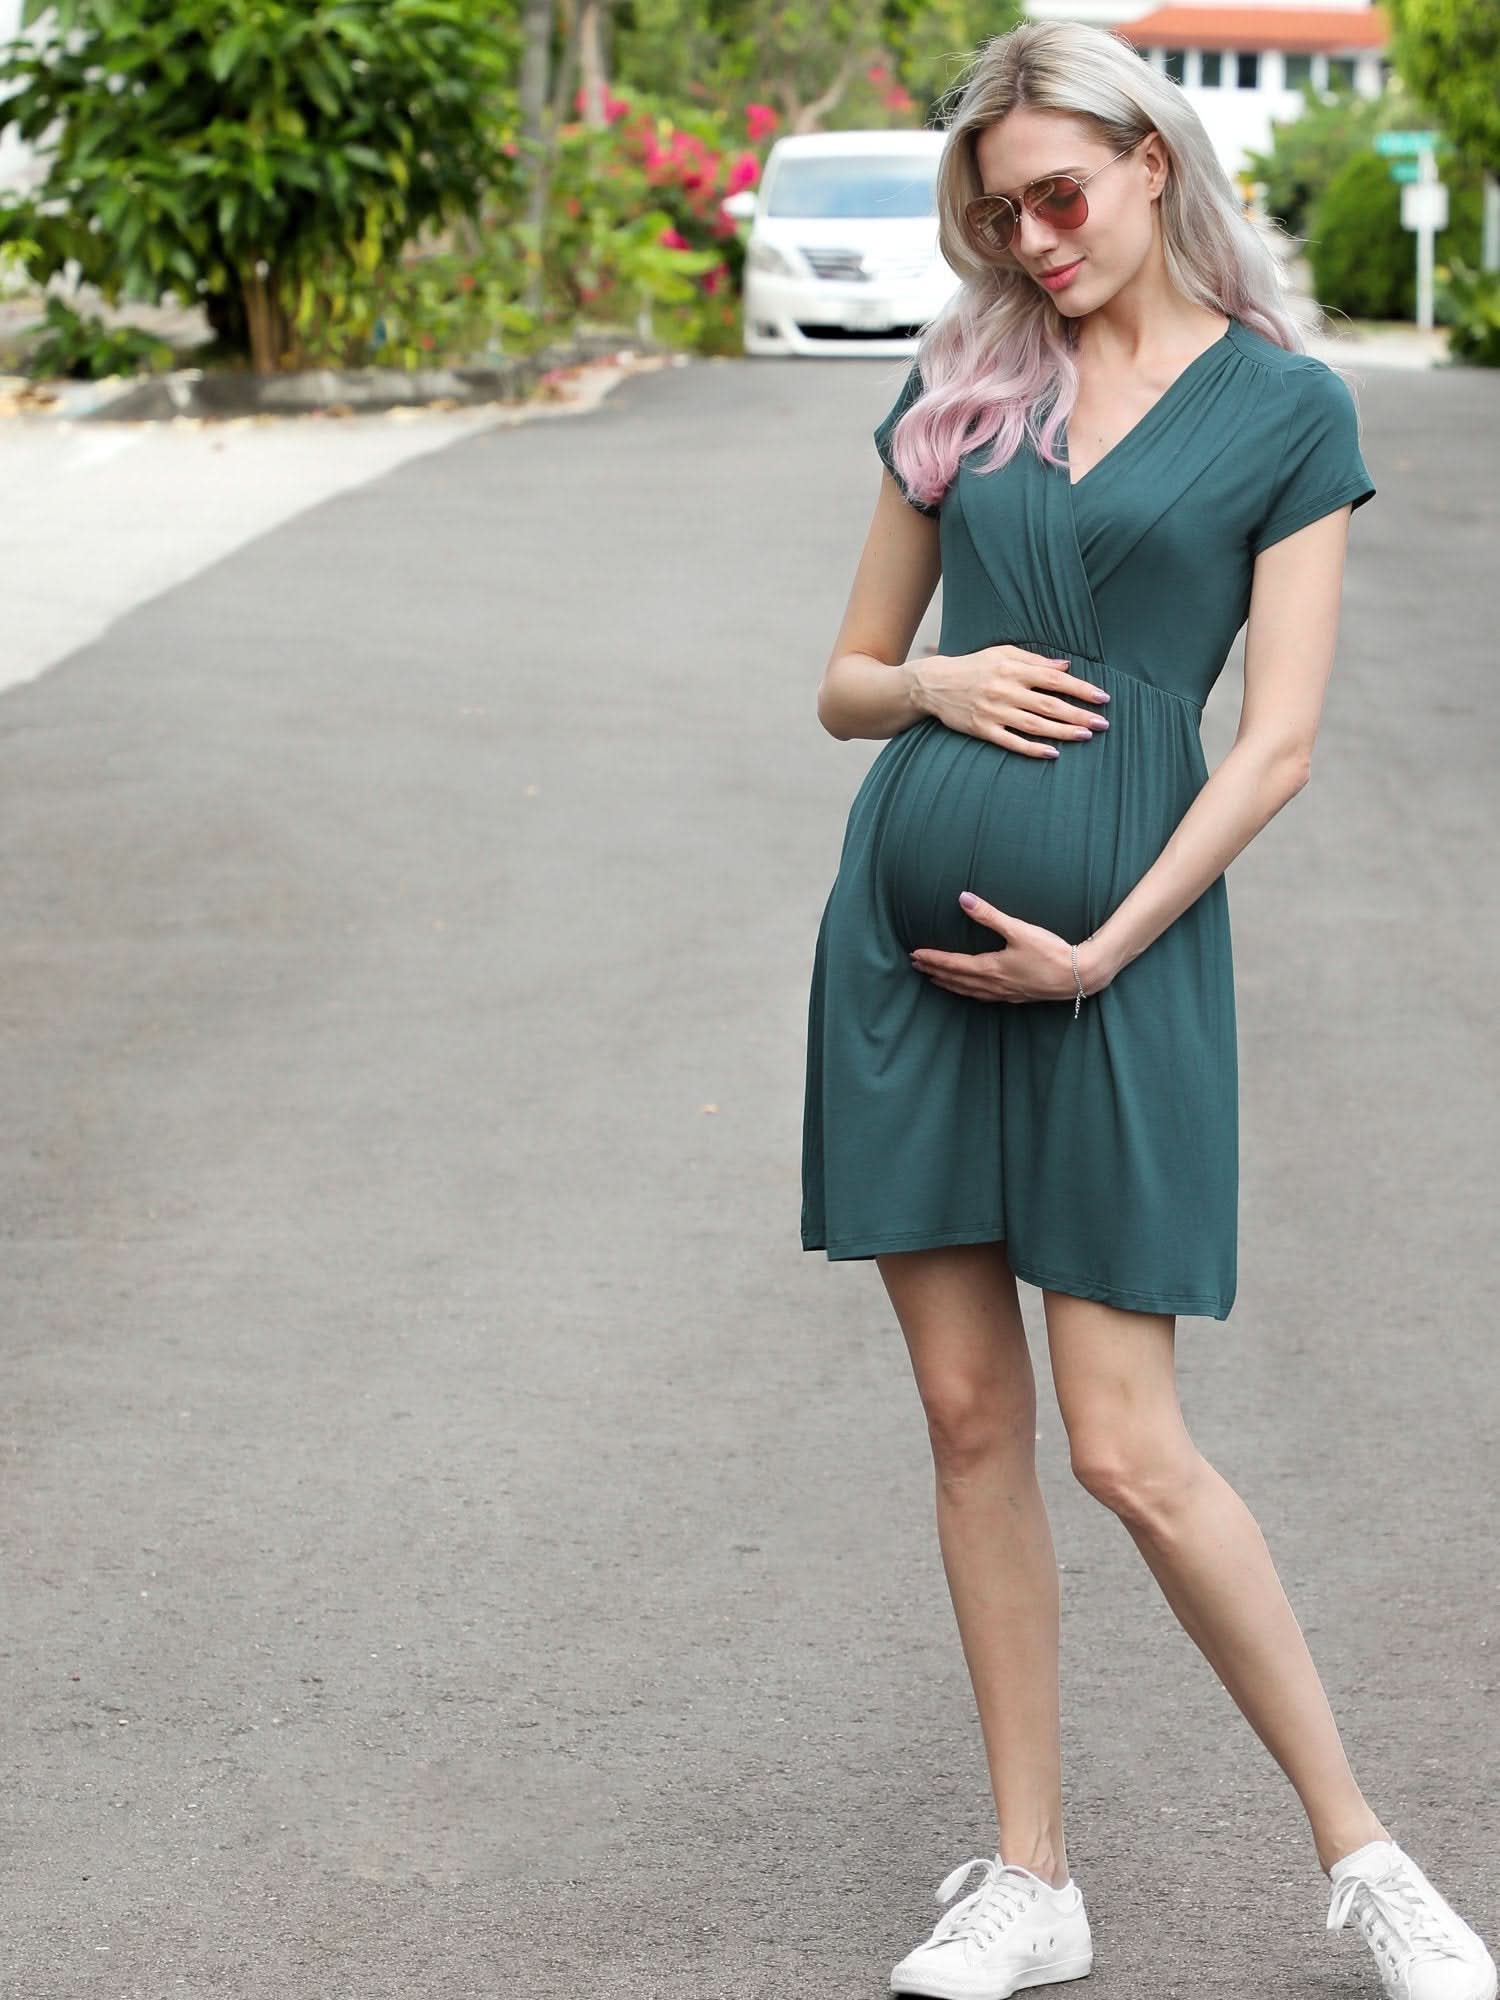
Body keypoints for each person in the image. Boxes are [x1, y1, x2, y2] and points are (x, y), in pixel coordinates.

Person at [799, 20, 1497, 2000]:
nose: (1031, 240)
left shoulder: (1287, 412)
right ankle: (1031, 1876)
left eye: (1059, 194)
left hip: (1120, 969)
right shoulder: (966, 392)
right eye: (997, 209)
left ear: (1153, 158)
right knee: (962, 1417)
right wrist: (936, 687)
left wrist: (1108, 947)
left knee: (1130, 1447)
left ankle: (1364, 1859)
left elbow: (1271, 747)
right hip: (907, 965)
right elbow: (846, 676)